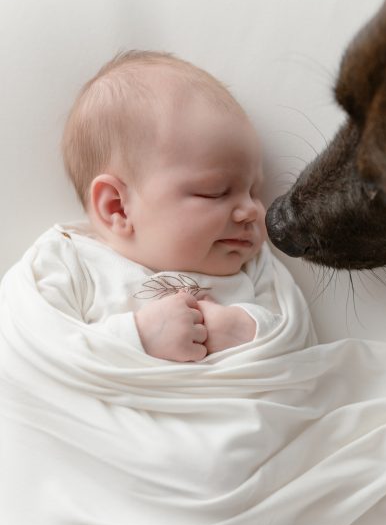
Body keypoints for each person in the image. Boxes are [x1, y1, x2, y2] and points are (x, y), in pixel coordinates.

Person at [38, 49, 281, 361]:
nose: (251, 210)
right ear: (118, 208)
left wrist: (246, 329)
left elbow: (299, 340)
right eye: (215, 192)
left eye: (254, 191)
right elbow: (35, 347)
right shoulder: (71, 262)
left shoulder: (256, 265)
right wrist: (136, 337)